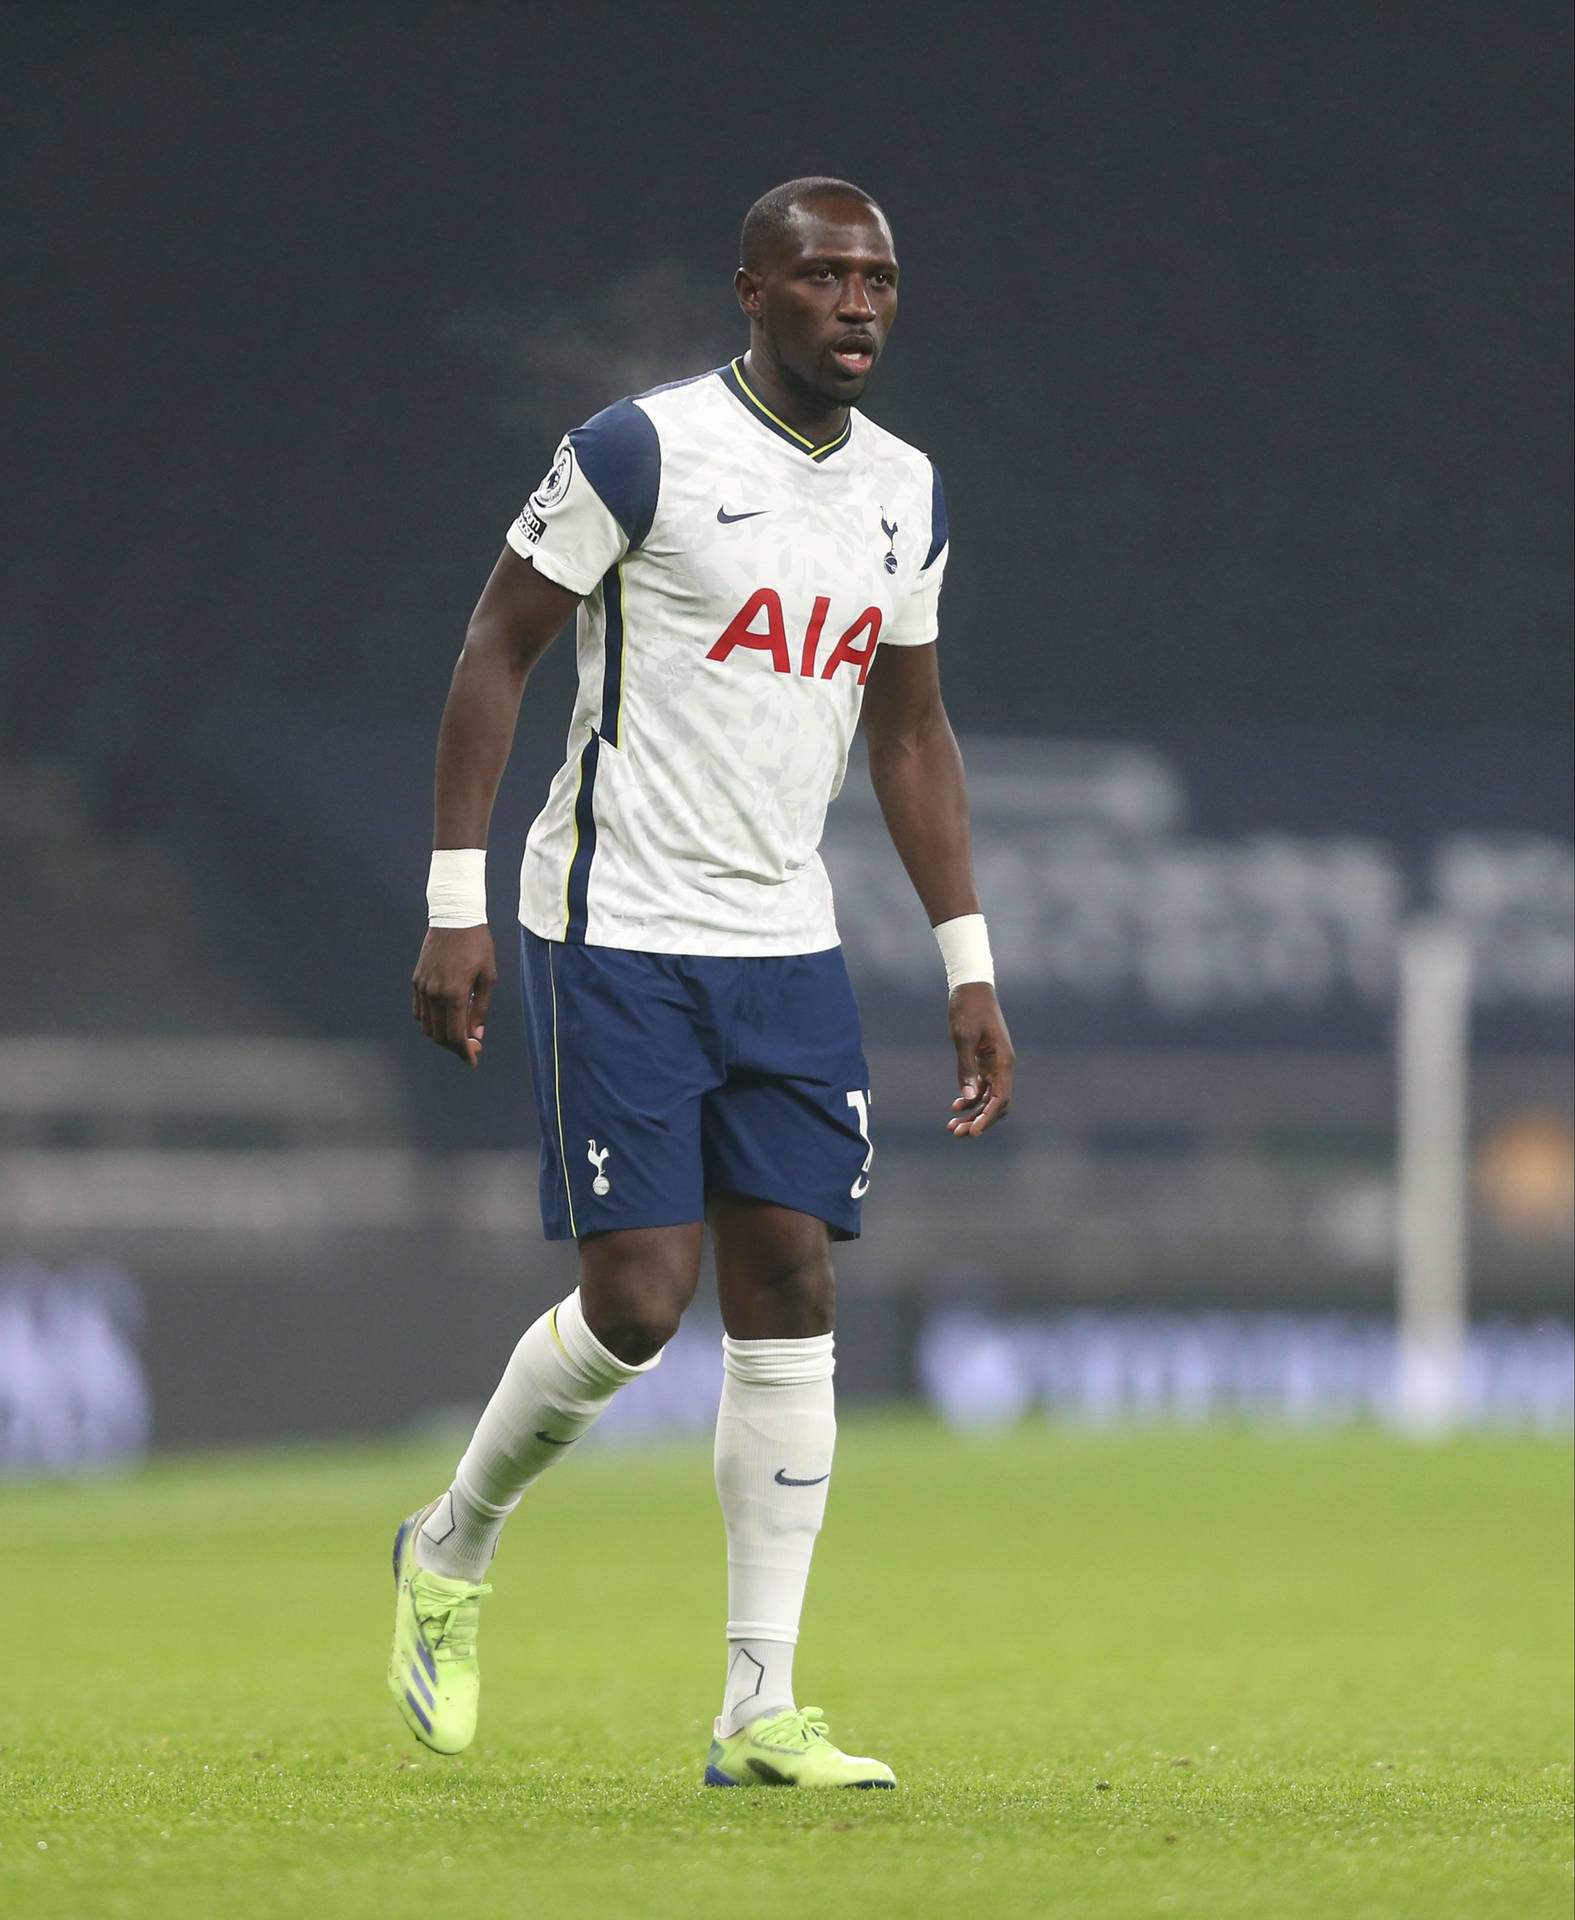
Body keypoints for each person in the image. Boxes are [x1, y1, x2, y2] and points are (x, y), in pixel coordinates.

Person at [392, 176, 1013, 1790]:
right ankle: (450, 1547)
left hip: (785, 938)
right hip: (620, 926)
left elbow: (909, 732)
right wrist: (456, 901)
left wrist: (969, 962)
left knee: (795, 1283)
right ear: (753, 292)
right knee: (641, 1305)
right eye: (823, 275)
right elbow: (493, 649)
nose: (859, 301)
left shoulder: (908, 493)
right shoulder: (639, 449)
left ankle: (759, 1705)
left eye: (879, 274)